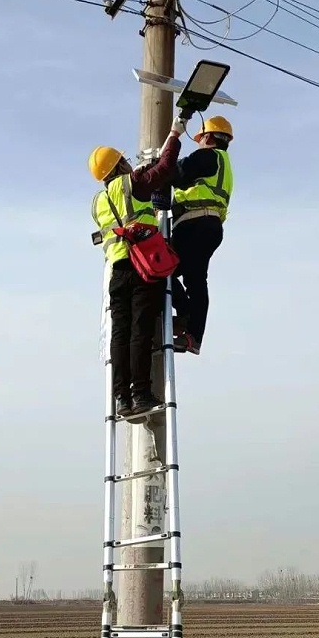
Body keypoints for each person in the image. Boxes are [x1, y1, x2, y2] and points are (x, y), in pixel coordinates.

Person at [89, 116, 186, 418]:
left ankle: (122, 399)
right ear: (118, 166)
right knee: (141, 332)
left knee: (121, 334)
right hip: (143, 266)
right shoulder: (130, 185)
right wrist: (174, 135)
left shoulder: (98, 201)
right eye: (124, 161)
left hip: (116, 271)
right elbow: (165, 170)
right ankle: (141, 395)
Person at [164, 114, 234, 355]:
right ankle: (190, 327)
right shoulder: (222, 162)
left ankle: (189, 326)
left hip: (196, 224)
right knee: (190, 277)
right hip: (207, 225)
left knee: (165, 270)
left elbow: (177, 173)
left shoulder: (208, 156)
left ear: (208, 137)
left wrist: (157, 165)